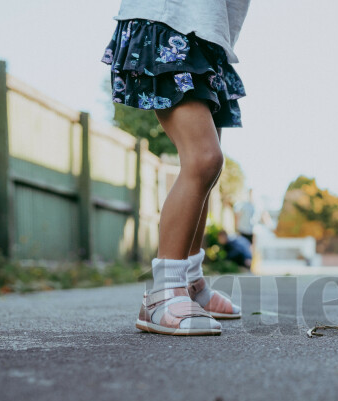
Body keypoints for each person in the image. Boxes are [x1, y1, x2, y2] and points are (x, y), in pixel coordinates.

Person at [101, 0, 251, 336]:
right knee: (203, 159)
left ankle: (191, 281)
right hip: (169, 23)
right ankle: (162, 293)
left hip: (209, 42)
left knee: (207, 171)